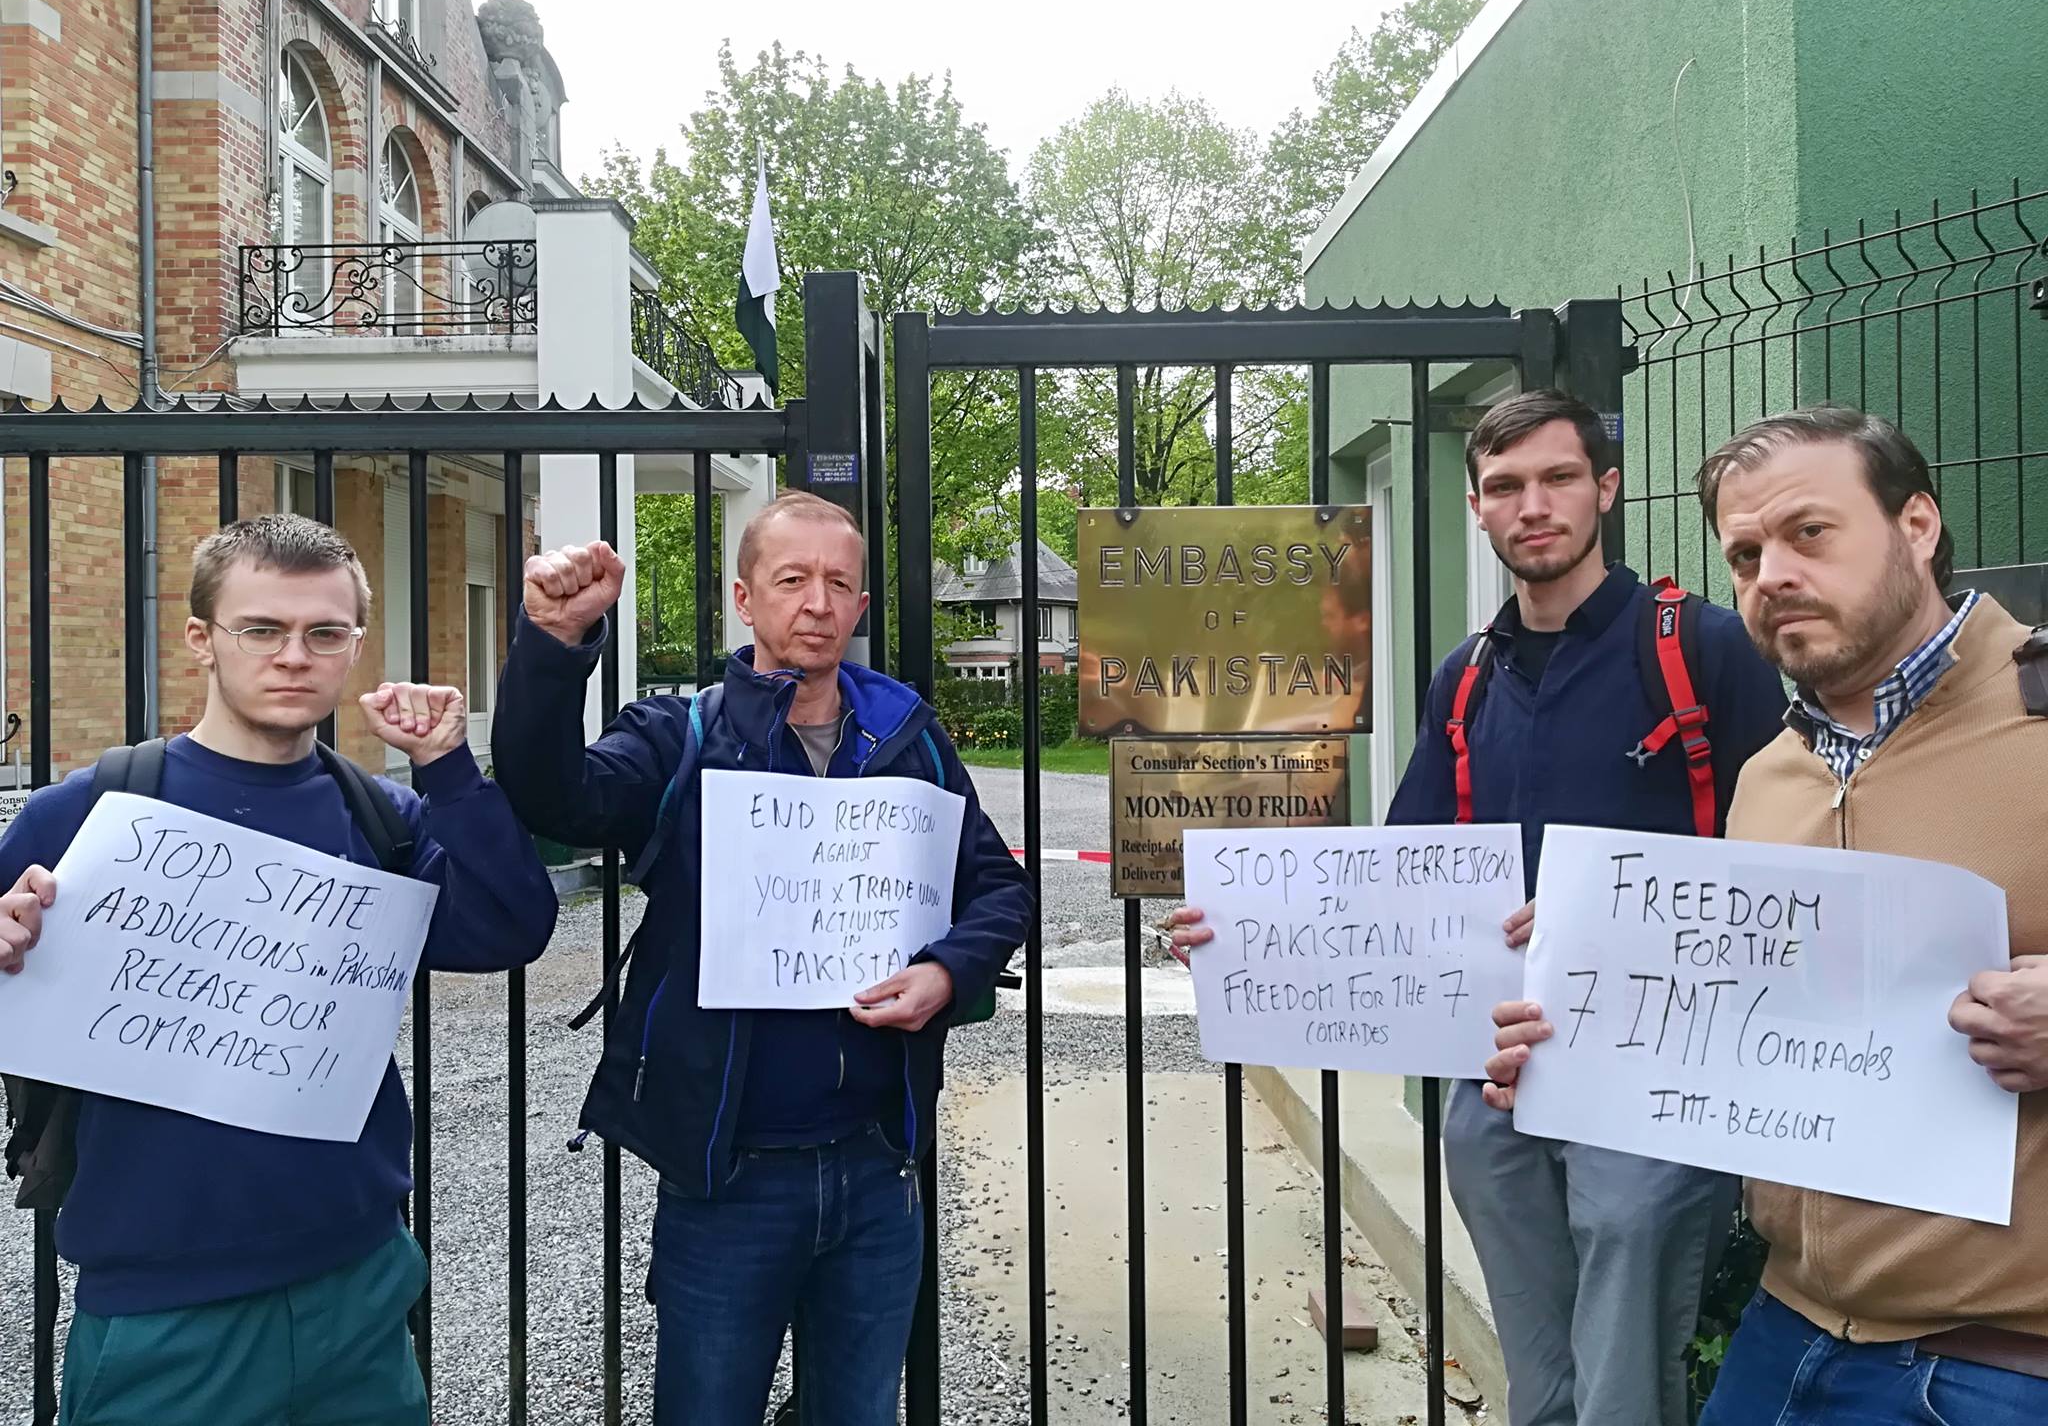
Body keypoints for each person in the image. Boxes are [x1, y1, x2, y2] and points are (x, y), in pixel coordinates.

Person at [1169, 388, 1790, 1425]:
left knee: (1624, 1383)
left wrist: (1599, 923)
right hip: (1494, 1079)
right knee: (1537, 1377)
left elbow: (1782, 858)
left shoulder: (1701, 649)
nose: (1530, 505)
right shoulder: (1463, 678)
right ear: (1475, 506)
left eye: (1555, 478)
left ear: (1604, 488)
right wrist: (1242, 932)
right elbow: (1403, 874)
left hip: (1649, 1071)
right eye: (1503, 486)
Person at [1488, 407, 2048, 1422]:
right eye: (1742, 555)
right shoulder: (1768, 777)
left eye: (1807, 534)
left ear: (1915, 525)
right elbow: (1741, 1022)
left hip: (1996, 1367)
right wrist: (1577, 1031)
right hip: (1784, 1337)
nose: (1769, 575)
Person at [0, 513, 558, 1426]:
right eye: (262, 629)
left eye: (323, 633)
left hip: (358, 1279)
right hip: (160, 1306)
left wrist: (448, 771)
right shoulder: (96, 808)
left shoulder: (382, 817)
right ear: (201, 640)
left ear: (352, 648)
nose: (294, 656)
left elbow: (509, 928)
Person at [490, 489, 1032, 1426]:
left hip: (876, 1167)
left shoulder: (908, 737)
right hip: (729, 1176)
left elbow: (999, 888)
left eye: (838, 584)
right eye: (792, 580)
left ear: (860, 607)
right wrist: (550, 649)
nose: (817, 602)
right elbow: (553, 798)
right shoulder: (683, 736)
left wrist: (949, 970)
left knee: (860, 1413)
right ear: (746, 599)